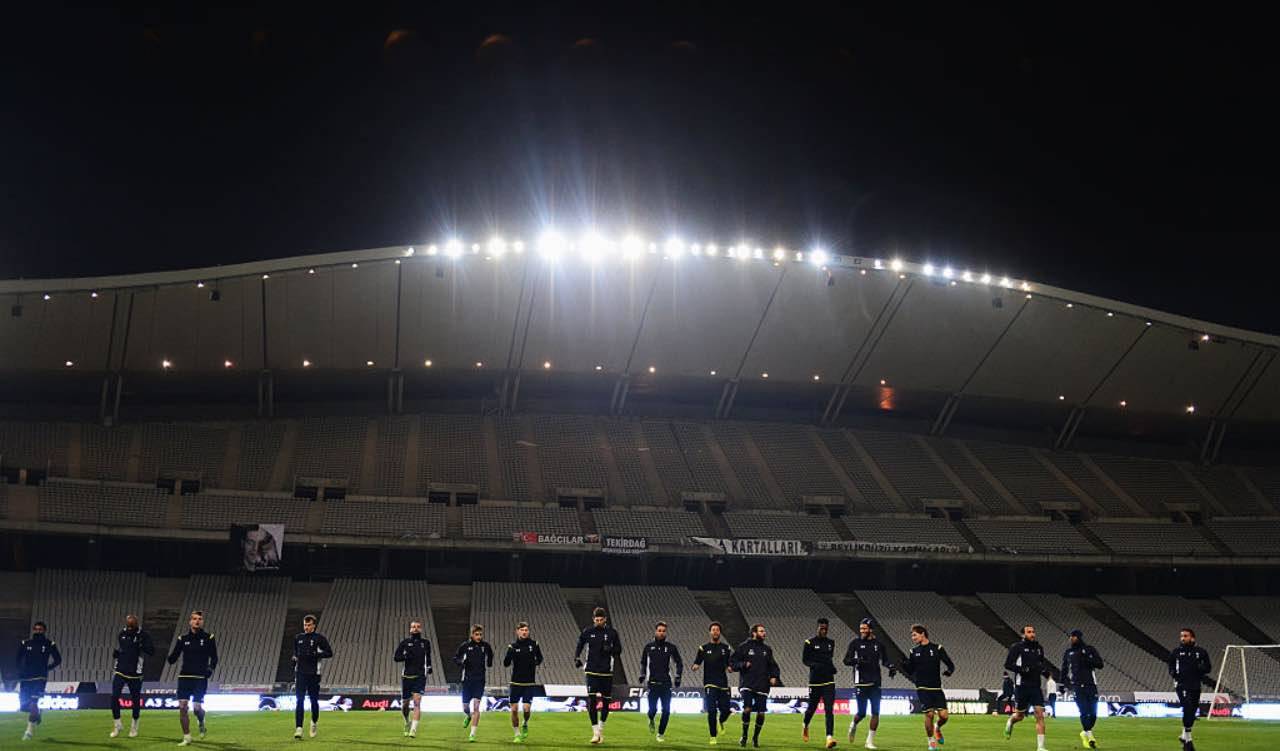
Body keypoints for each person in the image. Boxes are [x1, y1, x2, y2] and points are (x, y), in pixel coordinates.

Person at [167, 611, 218, 746]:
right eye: (195, 619)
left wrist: (210, 669)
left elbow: (214, 657)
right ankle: (187, 737)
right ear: (190, 621)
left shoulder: (209, 638)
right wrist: (170, 658)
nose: (197, 621)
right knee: (183, 707)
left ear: (202, 622)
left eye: (200, 619)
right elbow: (174, 656)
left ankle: (201, 721)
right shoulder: (182, 639)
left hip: (200, 678)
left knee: (196, 708)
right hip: (184, 677)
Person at [843, 617, 896, 750]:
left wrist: (891, 667)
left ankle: (869, 741)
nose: (862, 631)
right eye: (861, 629)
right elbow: (846, 660)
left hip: (875, 682)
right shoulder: (855, 643)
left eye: (865, 629)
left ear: (871, 629)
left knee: (876, 712)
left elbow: (885, 660)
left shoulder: (879, 644)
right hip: (861, 682)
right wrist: (858, 661)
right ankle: (853, 724)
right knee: (861, 713)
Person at [899, 624, 954, 751]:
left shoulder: (938, 648)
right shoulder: (914, 651)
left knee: (944, 716)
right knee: (929, 714)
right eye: (912, 635)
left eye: (914, 635)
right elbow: (910, 670)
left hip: (936, 688)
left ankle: (937, 728)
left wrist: (949, 671)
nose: (913, 638)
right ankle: (931, 742)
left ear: (922, 633)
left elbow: (950, 664)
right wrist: (903, 664)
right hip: (922, 687)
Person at [575, 606, 622, 745]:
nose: (599, 622)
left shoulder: (612, 633)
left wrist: (611, 649)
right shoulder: (588, 632)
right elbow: (580, 644)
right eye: (597, 620)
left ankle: (601, 729)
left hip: (606, 671)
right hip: (591, 671)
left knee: (606, 702)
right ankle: (595, 733)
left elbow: (619, 650)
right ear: (593, 619)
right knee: (592, 700)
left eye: (601, 620)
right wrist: (576, 658)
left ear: (605, 620)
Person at [731, 624, 780, 748]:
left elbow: (773, 665)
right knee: (747, 708)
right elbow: (733, 662)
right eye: (761, 631)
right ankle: (744, 735)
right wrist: (743, 664)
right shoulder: (743, 647)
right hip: (747, 683)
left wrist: (774, 676)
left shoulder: (767, 649)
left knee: (761, 713)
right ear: (754, 633)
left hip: (763, 684)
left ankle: (755, 738)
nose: (764, 633)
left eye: (764, 631)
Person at [1004, 625, 1050, 751]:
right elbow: (1008, 664)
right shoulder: (1016, 648)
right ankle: (1010, 721)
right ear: (1023, 635)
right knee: (1020, 716)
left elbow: (1040, 664)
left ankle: (1041, 747)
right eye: (1029, 632)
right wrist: (1022, 669)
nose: (1032, 634)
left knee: (1039, 715)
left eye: (1033, 632)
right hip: (1022, 686)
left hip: (1036, 686)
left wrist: (1046, 673)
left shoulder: (1039, 648)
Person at [16, 621, 61, 742]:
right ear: (33, 630)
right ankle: (37, 714)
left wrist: (47, 668)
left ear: (44, 631)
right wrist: (20, 671)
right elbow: (17, 659)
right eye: (36, 629)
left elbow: (58, 659)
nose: (38, 631)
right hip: (26, 678)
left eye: (40, 629)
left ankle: (28, 732)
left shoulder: (49, 644)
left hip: (40, 678)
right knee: (24, 706)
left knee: (33, 703)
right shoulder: (25, 643)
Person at [639, 621, 684, 743]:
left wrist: (678, 676)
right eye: (659, 630)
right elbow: (643, 663)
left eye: (663, 631)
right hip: (652, 683)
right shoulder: (648, 647)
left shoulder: (671, 647)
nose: (661, 633)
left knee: (666, 710)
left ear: (666, 632)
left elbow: (679, 663)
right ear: (655, 631)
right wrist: (642, 674)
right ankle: (651, 719)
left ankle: (660, 734)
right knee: (652, 710)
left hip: (666, 684)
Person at [691, 621, 735, 746]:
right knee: (711, 710)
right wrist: (695, 666)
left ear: (720, 632)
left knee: (726, 710)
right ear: (710, 632)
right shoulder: (703, 648)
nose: (715, 631)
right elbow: (697, 662)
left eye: (717, 630)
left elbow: (729, 664)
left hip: (723, 683)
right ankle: (713, 736)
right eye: (713, 629)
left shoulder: (726, 648)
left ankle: (721, 721)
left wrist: (730, 668)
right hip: (709, 683)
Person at [111, 614, 153, 738]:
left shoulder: (143, 635)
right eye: (128, 625)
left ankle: (134, 727)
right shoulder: (121, 634)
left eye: (131, 625)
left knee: (135, 700)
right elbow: (124, 650)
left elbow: (151, 651)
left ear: (136, 624)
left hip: (135, 673)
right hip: (120, 670)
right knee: (114, 697)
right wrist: (117, 654)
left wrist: (141, 645)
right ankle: (117, 724)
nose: (129, 627)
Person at [1168, 628, 1211, 751]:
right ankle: (1188, 739)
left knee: (1192, 710)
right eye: (1181, 636)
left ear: (1192, 638)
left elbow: (1208, 668)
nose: (1182, 638)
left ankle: (1184, 735)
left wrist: (1200, 668)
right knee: (1187, 707)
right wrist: (1173, 672)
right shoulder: (1176, 652)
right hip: (1181, 684)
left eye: (1185, 636)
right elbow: (1170, 664)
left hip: (1195, 685)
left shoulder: (1201, 652)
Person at [1060, 629, 1104, 749]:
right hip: (1077, 686)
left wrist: (1088, 658)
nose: (1072, 639)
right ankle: (1090, 736)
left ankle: (1084, 732)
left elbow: (1100, 664)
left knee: (1094, 714)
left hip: (1091, 685)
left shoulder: (1090, 649)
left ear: (1079, 637)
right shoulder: (1068, 653)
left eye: (1074, 636)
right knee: (1084, 712)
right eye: (1071, 636)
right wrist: (1062, 685)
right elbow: (1064, 670)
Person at [292, 614, 334, 740]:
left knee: (313, 701)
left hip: (314, 674)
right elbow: (295, 654)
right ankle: (298, 728)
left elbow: (329, 653)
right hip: (300, 673)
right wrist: (294, 659)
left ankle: (313, 722)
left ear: (314, 625)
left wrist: (316, 654)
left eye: (309, 625)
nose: (306, 627)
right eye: (305, 625)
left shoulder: (319, 638)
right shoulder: (298, 638)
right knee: (299, 700)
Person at [801, 617, 838, 749]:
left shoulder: (831, 643)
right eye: (822, 628)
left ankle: (829, 738)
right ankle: (805, 725)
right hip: (815, 682)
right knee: (812, 708)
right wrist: (815, 665)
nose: (824, 630)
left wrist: (832, 668)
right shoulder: (809, 642)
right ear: (817, 627)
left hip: (828, 681)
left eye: (826, 628)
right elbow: (805, 660)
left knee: (829, 710)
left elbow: (828, 659)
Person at [503, 621, 543, 743]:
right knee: (514, 710)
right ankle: (516, 734)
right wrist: (509, 654)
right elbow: (506, 664)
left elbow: (540, 658)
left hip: (529, 683)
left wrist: (534, 664)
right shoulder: (513, 646)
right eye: (522, 630)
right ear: (517, 631)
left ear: (528, 631)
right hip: (515, 683)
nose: (524, 632)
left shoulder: (534, 644)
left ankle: (525, 723)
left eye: (526, 630)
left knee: (526, 709)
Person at [455, 624, 495, 743]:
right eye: (476, 634)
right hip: (467, 680)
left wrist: (489, 662)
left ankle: (472, 734)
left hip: (480, 680)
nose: (479, 636)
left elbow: (491, 655)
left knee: (476, 707)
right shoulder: (465, 646)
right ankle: (468, 716)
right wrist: (460, 662)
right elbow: (456, 657)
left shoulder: (485, 646)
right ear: (472, 635)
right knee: (466, 707)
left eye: (480, 634)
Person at [393, 620, 433, 738]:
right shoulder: (405, 643)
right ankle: (407, 722)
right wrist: (405, 656)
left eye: (418, 627)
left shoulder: (425, 643)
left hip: (420, 676)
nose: (415, 628)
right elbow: (396, 657)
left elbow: (428, 657)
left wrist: (429, 667)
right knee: (405, 704)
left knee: (417, 702)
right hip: (407, 676)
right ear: (410, 629)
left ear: (420, 629)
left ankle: (413, 730)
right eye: (413, 627)